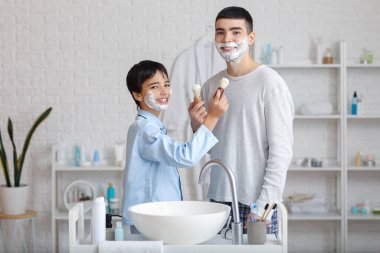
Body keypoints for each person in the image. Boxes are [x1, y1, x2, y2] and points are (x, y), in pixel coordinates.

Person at [191, 6, 294, 234]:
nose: (227, 39)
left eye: (235, 32)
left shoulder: (270, 83)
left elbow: (282, 152)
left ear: (251, 37)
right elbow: (209, 148)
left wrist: (264, 206)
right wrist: (197, 125)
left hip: (257, 203)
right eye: (220, 32)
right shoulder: (210, 86)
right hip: (218, 201)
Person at [121, 60, 228, 228]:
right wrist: (212, 117)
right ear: (137, 95)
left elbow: (176, 153)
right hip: (148, 221)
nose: (164, 92)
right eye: (155, 87)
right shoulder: (146, 130)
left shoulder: (150, 126)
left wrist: (196, 126)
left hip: (153, 219)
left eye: (167, 84)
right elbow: (185, 156)